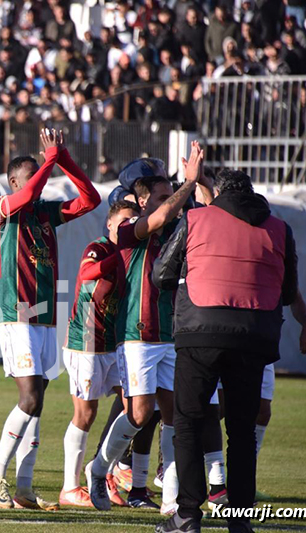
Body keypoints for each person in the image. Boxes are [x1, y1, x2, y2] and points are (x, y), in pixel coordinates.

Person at [153, 168, 306, 533]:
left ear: (219, 192)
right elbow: (288, 292)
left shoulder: (195, 219)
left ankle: (188, 515)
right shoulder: (279, 229)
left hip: (199, 331)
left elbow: (161, 274)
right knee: (242, 433)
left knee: (189, 425)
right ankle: (239, 520)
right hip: (254, 338)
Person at [86, 144, 213, 513]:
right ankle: (98, 470)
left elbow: (208, 209)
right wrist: (187, 185)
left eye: (168, 194)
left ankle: (172, 499)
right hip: (136, 335)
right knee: (140, 414)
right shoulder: (129, 229)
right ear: (142, 202)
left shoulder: (177, 224)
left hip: (173, 334)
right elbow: (160, 218)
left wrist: (200, 179)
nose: (168, 201)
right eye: (160, 195)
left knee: (175, 416)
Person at [0, 128, 101, 511]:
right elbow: (30, 192)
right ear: (15, 181)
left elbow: (91, 199)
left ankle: (24, 488)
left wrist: (62, 156)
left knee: (40, 401)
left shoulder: (45, 213)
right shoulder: (0, 207)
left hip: (45, 318)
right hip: (16, 313)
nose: (41, 180)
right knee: (29, 397)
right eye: (33, 174)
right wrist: (49, 159)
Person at [60, 199, 139, 507]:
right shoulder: (100, 247)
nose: (128, 226)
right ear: (110, 224)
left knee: (134, 408)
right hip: (87, 341)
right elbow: (88, 273)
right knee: (86, 413)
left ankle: (102, 468)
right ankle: (70, 487)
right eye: (123, 220)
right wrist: (118, 256)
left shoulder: (136, 254)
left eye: (134, 220)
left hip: (116, 342)